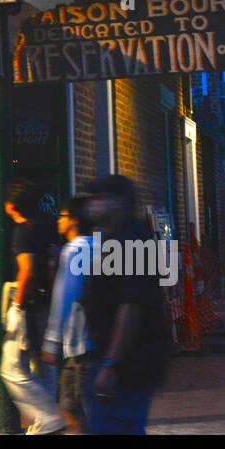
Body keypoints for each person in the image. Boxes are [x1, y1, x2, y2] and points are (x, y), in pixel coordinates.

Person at [80, 175, 170, 435]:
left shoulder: (131, 240)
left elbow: (131, 305)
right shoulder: (117, 238)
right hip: (122, 360)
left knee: (115, 426)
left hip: (128, 365)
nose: (92, 205)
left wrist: (111, 365)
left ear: (119, 202)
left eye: (99, 198)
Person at [0, 178, 67, 434]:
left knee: (11, 367)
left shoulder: (22, 231)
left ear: (12, 205)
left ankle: (47, 418)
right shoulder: (45, 226)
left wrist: (16, 308)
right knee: (44, 366)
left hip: (28, 303)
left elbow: (26, 270)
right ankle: (45, 423)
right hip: (46, 303)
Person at [44, 194, 95, 433]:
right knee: (79, 405)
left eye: (62, 216)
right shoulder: (102, 245)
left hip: (80, 342)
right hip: (98, 340)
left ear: (73, 221)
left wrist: (52, 340)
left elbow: (65, 297)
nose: (57, 220)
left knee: (73, 404)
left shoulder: (73, 251)